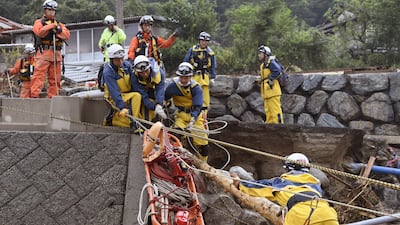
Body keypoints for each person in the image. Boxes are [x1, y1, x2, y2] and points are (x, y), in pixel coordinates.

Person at [231, 153, 339, 225]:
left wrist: (239, 183)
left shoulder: (280, 182)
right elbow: (303, 195)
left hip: (302, 216)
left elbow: (254, 187)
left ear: (287, 168)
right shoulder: (315, 182)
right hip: (328, 213)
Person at [164, 62, 209, 161]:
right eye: (182, 77)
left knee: (203, 145)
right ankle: (177, 160)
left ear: (190, 76)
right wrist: (164, 106)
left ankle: (203, 164)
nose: (184, 79)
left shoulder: (196, 88)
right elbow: (165, 97)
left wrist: (193, 120)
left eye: (186, 77)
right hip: (181, 115)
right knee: (175, 136)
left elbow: (198, 106)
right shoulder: (173, 86)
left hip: (196, 117)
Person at [31, 0, 70, 98]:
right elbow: (40, 32)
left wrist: (57, 30)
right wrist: (51, 26)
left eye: (53, 10)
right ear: (45, 10)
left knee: (55, 79)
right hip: (44, 53)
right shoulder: (39, 22)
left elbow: (66, 35)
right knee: (38, 77)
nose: (52, 12)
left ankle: (53, 98)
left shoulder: (59, 24)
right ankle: (34, 97)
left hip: (56, 55)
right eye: (49, 10)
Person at [102, 44, 142, 133]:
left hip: (126, 94)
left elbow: (134, 83)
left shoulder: (127, 65)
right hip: (113, 98)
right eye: (117, 60)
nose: (120, 62)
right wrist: (122, 107)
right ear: (112, 60)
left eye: (122, 59)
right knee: (136, 96)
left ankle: (134, 121)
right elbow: (114, 92)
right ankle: (133, 123)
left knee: (138, 96)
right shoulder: (108, 72)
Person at [183, 31, 216, 111]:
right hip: (193, 77)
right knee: (191, 96)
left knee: (205, 100)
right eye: (202, 40)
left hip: (204, 78)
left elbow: (213, 66)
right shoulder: (192, 50)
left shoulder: (210, 53)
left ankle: (204, 119)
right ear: (199, 40)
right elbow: (185, 62)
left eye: (206, 41)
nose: (204, 43)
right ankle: (191, 116)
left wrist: (212, 78)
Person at [131, 55, 167, 122]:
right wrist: (153, 107)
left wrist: (159, 104)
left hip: (152, 90)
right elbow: (143, 96)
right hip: (142, 93)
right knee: (146, 115)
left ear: (150, 67)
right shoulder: (134, 77)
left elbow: (160, 89)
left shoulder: (160, 73)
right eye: (141, 73)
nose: (145, 74)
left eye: (146, 71)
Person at [258, 45, 284, 124]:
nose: (259, 55)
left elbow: (278, 71)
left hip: (273, 91)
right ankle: (269, 126)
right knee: (268, 111)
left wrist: (271, 79)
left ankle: (279, 126)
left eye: (260, 53)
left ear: (266, 54)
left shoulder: (271, 62)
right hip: (266, 92)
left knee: (275, 111)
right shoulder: (263, 65)